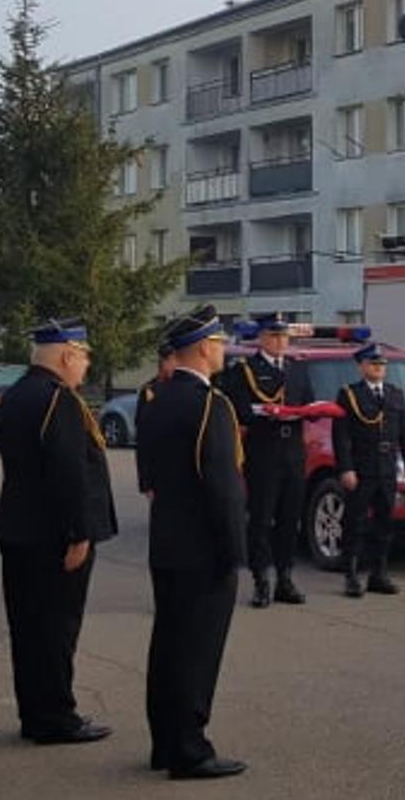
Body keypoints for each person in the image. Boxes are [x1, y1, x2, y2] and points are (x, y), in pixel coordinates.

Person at [0, 317, 117, 746]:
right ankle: (56, 717)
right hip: (52, 535)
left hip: (18, 527)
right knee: (56, 628)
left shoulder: (17, 394)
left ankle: (35, 712)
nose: (85, 365)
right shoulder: (57, 400)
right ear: (66, 356)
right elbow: (68, 472)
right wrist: (79, 533)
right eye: (83, 357)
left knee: (28, 628)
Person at [137, 305, 246, 779]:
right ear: (203, 348)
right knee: (197, 651)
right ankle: (189, 749)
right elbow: (222, 486)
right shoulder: (209, 405)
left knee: (168, 645)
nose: (223, 350)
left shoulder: (157, 398)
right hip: (203, 548)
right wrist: (234, 550)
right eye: (219, 343)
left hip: (167, 540)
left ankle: (165, 742)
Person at [218, 313, 313, 608]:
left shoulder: (297, 369)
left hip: (293, 452)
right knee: (261, 518)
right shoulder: (245, 370)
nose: (280, 341)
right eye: (273, 335)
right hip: (264, 452)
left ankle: (285, 577)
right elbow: (237, 408)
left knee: (289, 517)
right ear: (261, 338)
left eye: (283, 335)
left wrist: (306, 412)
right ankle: (261, 579)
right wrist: (263, 412)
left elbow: (308, 403)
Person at [334, 343, 405, 596]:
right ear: (361, 366)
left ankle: (378, 574)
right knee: (355, 523)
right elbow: (341, 436)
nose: (379, 368)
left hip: (387, 467)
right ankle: (351, 575)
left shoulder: (394, 394)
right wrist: (346, 468)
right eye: (373, 364)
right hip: (362, 466)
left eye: (382, 364)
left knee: (384, 523)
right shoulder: (350, 394)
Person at [134, 346, 178, 495]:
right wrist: (145, 483)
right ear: (164, 362)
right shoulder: (149, 391)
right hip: (157, 471)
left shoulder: (179, 388)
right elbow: (142, 439)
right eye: (174, 360)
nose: (177, 366)